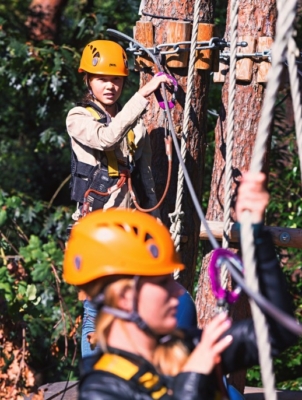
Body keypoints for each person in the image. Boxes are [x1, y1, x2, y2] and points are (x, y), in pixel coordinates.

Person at [63, 172, 297, 399]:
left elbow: (278, 331)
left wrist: (255, 236)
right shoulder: (102, 390)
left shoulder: (186, 348)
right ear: (125, 297)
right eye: (163, 283)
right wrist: (193, 378)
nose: (178, 291)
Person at [67, 39, 174, 358]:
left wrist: (156, 226)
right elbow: (106, 138)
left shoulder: (136, 128)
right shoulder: (78, 117)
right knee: (95, 313)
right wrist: (143, 95)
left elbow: (146, 183)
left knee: (136, 308)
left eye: (115, 79)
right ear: (88, 80)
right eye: (102, 79)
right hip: (96, 230)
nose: (110, 86)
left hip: (130, 232)